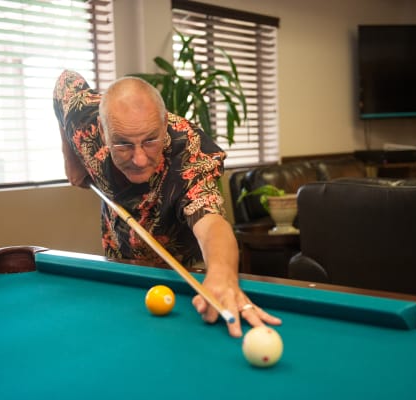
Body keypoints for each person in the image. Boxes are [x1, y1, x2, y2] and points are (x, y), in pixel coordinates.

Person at [53, 70, 281, 337]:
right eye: (123, 144)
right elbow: (64, 83)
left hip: (180, 267)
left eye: (150, 140)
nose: (138, 159)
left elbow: (210, 220)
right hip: (119, 257)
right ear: (103, 131)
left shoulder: (190, 150)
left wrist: (222, 273)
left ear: (163, 123)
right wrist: (70, 156)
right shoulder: (85, 121)